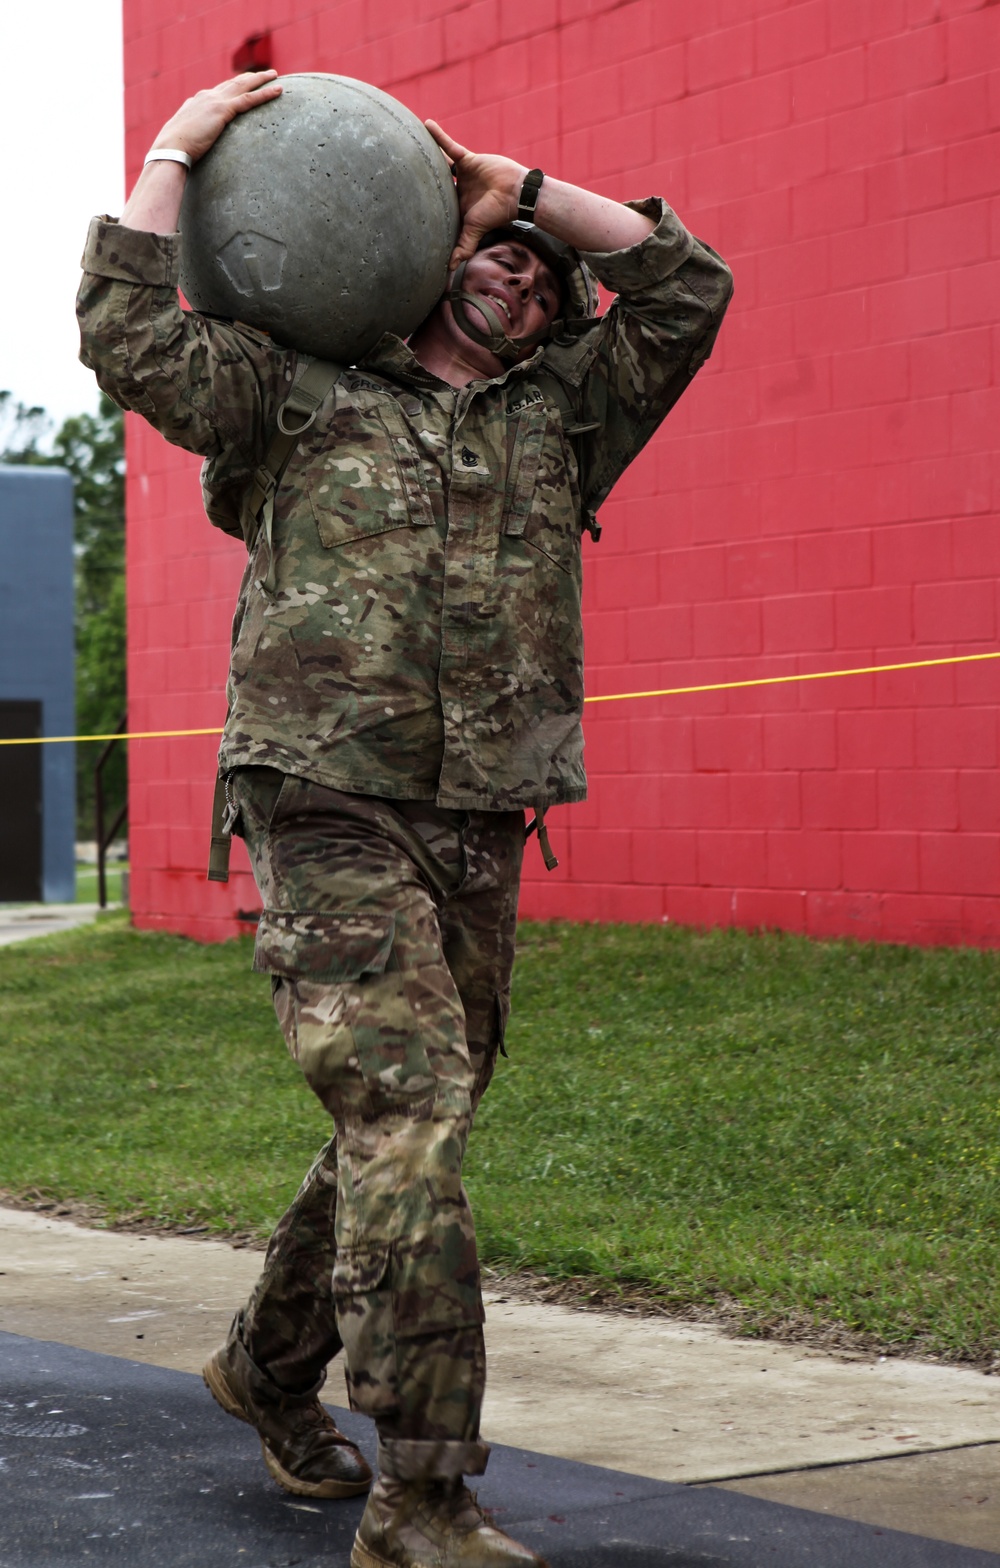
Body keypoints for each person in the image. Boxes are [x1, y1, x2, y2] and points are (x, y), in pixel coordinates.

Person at [78, 69, 732, 1568]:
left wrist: (520, 178)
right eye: (497, 251)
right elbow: (121, 327)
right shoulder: (298, 393)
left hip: (482, 820)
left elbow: (688, 286)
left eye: (549, 279)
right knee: (408, 1121)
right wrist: (180, 146)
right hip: (320, 797)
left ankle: (265, 1360)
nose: (524, 273)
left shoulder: (568, 417)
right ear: (438, 265)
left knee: (406, 1128)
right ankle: (423, 1495)